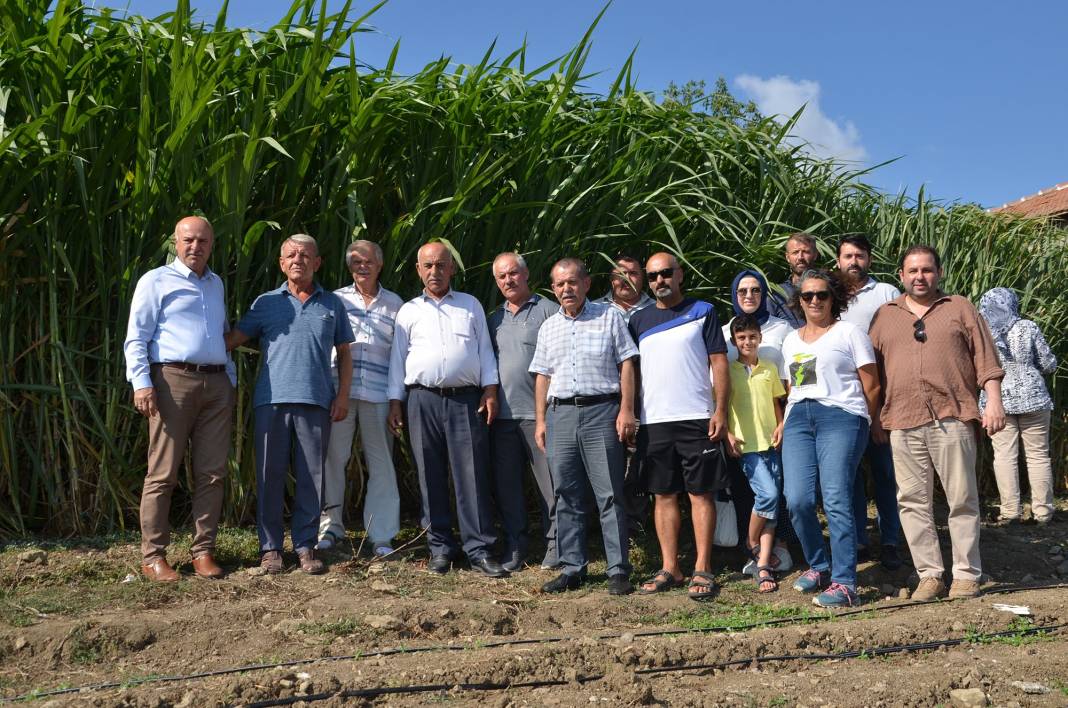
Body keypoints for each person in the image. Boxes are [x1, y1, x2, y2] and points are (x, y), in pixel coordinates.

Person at [869, 246, 1005, 601]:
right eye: (912, 271)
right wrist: (875, 419)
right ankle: (929, 575)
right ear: (901, 275)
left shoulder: (959, 307)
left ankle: (965, 574)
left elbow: (986, 360)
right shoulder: (885, 316)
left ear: (938, 273)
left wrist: (994, 401)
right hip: (901, 418)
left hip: (953, 415)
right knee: (912, 501)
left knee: (961, 498)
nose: (919, 276)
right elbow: (872, 374)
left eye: (926, 270)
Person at [227, 234, 354, 575]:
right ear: (282, 264)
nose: (298, 259)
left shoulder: (332, 304)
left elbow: (344, 353)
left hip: (316, 401)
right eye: (291, 255)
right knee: (270, 474)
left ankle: (305, 546)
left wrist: (342, 396)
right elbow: (232, 341)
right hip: (271, 401)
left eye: (305, 254)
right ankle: (270, 549)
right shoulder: (266, 303)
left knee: (313, 476)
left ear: (317, 262)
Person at [124, 216, 236, 582]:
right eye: (188, 240)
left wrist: (230, 379)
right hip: (173, 382)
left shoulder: (215, 283)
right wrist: (142, 383)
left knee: (212, 473)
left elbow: (220, 334)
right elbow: (136, 337)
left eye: (203, 241)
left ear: (212, 244)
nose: (195, 246)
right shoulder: (156, 280)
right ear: (175, 241)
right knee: (162, 473)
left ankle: (203, 552)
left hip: (216, 385)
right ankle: (153, 556)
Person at [386, 242, 506, 578]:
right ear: (418, 270)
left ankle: (479, 549)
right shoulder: (409, 311)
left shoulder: (470, 305)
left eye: (441, 265)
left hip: (466, 400)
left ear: (451, 268)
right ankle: (440, 548)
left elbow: (484, 351)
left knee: (472, 475)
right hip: (421, 400)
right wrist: (395, 401)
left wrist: (490, 390)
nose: (434, 272)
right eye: (428, 266)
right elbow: (398, 360)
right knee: (429, 474)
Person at [531, 258, 639, 595]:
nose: (567, 289)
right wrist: (540, 420)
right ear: (553, 289)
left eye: (573, 282)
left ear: (586, 284)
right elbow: (542, 376)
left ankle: (618, 569)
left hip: (602, 412)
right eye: (560, 284)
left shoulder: (610, 317)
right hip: (561, 415)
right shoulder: (549, 327)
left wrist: (626, 410)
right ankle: (573, 567)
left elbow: (627, 365)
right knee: (566, 494)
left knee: (609, 494)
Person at [629, 253, 729, 602]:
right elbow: (633, 372)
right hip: (655, 421)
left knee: (700, 493)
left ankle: (703, 566)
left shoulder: (703, 311)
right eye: (653, 275)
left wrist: (720, 410)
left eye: (666, 273)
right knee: (663, 494)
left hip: (696, 416)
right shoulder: (638, 320)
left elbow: (719, 362)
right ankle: (670, 567)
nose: (660, 280)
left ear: (680, 274)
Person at [781, 269, 881, 608]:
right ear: (799, 301)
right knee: (797, 499)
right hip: (798, 418)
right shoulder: (791, 340)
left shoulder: (849, 333)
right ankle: (819, 565)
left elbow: (871, 384)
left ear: (832, 298)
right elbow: (796, 385)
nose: (813, 301)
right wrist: (786, 420)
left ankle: (845, 582)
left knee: (836, 499)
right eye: (807, 296)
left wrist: (870, 420)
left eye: (821, 295)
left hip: (841, 417)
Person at [317, 240, 403, 557]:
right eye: (355, 262)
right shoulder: (335, 300)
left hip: (379, 394)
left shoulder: (396, 304)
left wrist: (396, 401)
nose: (362, 266)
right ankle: (330, 528)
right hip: (340, 393)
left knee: (381, 464)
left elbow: (399, 357)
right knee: (333, 460)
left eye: (367, 261)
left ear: (379, 264)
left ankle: (381, 535)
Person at [487, 252, 560, 571]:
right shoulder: (493, 319)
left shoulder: (548, 311)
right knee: (508, 488)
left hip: (541, 416)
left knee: (551, 488)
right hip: (502, 419)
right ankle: (516, 547)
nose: (508, 280)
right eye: (502, 276)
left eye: (513, 273)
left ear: (526, 274)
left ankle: (557, 546)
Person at [835, 235, 903, 570]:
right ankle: (859, 539)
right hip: (845, 401)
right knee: (850, 477)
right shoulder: (829, 295)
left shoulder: (887, 293)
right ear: (837, 260)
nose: (854, 262)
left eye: (859, 256)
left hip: (883, 396)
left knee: (886, 473)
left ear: (869, 260)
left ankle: (891, 539)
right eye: (847, 256)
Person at [721, 269, 794, 575]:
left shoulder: (783, 328)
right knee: (754, 494)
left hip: (773, 429)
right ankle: (751, 549)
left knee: (778, 495)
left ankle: (775, 552)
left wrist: (785, 422)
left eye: (755, 290)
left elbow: (790, 378)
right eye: (742, 291)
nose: (749, 296)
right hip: (742, 435)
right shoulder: (724, 332)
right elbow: (718, 388)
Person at [978, 288, 1058, 524]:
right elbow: (1048, 362)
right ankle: (1043, 512)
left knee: (1004, 455)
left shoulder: (982, 332)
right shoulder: (1028, 327)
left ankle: (1010, 512)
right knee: (1038, 456)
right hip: (1034, 399)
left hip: (997, 401)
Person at [725, 314, 786, 594]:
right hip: (746, 445)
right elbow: (720, 406)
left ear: (760, 338)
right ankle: (751, 543)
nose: (747, 342)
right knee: (768, 496)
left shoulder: (770, 368)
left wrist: (781, 426)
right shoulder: (727, 370)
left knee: (772, 504)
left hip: (771, 443)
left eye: (752, 336)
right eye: (741, 338)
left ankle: (762, 564)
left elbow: (776, 404)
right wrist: (726, 433)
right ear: (735, 342)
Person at [596, 253, 654, 536]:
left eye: (631, 273)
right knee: (609, 465)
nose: (624, 279)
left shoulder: (657, 309)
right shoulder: (595, 310)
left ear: (642, 277)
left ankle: (637, 525)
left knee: (640, 464)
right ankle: (609, 528)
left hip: (648, 400)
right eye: (618, 274)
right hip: (604, 401)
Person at [767, 233, 818, 328]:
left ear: (815, 255)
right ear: (787, 257)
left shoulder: (827, 290)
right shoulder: (776, 295)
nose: (800, 257)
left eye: (806, 252)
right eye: (795, 252)